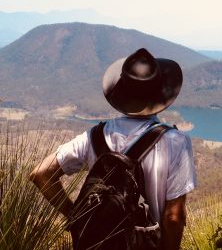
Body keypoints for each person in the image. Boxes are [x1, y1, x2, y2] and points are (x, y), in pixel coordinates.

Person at [29, 48, 197, 250]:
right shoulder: (176, 142)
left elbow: (40, 174)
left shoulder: (94, 137)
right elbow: (174, 216)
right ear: (160, 94)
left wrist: (76, 216)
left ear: (122, 94)